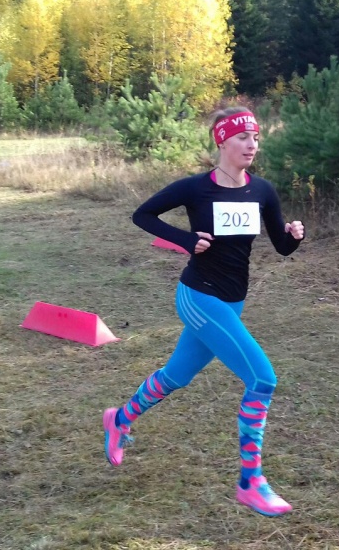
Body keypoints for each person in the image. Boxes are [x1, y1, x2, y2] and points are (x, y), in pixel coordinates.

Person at [102, 107, 306, 517]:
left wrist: (295, 236)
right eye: (243, 137)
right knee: (262, 378)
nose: (252, 144)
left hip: (233, 301)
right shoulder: (195, 189)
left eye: (255, 137)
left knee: (176, 376)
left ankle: (119, 419)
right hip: (198, 296)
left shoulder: (262, 191)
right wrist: (184, 240)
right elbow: (142, 215)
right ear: (222, 141)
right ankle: (251, 483)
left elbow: (282, 247)